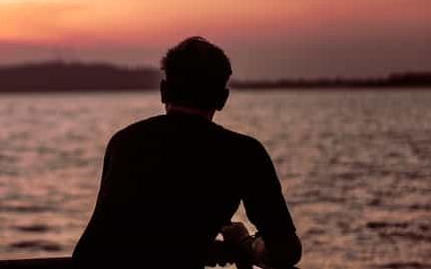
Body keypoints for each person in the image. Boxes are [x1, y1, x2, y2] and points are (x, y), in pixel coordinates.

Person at [72, 37, 302, 268]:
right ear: (222, 99)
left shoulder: (125, 143)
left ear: (163, 91)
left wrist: (201, 248)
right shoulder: (244, 153)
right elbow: (285, 251)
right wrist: (244, 243)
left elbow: (128, 231)